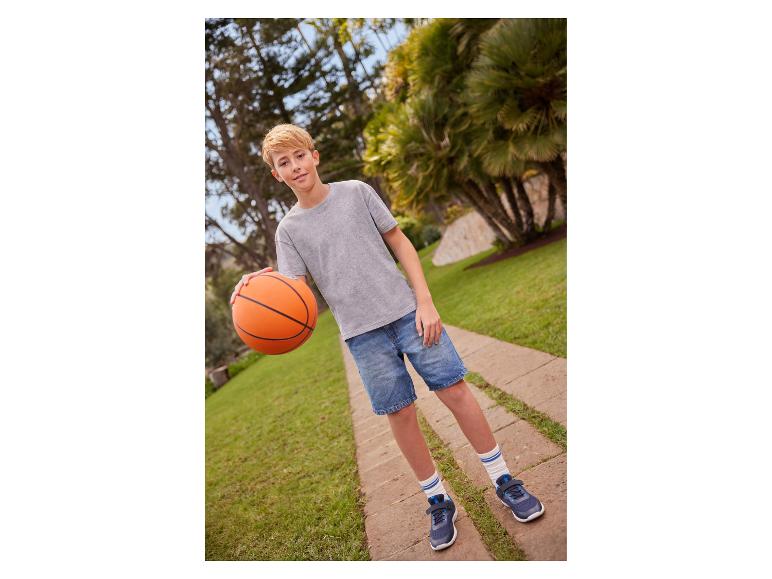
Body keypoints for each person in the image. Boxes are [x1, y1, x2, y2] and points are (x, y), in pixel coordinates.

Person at [230, 124, 544, 551]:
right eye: (283, 163)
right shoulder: (289, 231)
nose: (295, 166)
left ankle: (503, 479)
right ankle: (437, 499)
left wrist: (426, 302)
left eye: (299, 156)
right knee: (401, 413)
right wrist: (255, 285)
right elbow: (292, 292)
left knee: (455, 391)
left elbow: (401, 244)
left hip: (408, 315)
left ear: (314, 155)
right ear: (276, 176)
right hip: (362, 336)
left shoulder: (357, 192)